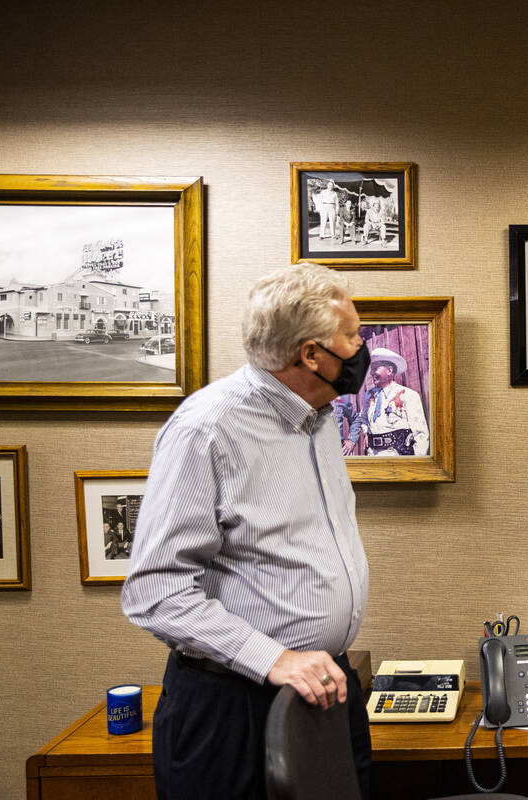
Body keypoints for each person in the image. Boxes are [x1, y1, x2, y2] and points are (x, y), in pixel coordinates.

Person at [122, 262, 371, 800]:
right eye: (351, 336)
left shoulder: (319, 419)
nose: (361, 346)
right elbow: (154, 592)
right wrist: (275, 659)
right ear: (310, 355)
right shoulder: (206, 429)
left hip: (321, 693)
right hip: (232, 711)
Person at [361, 347, 429, 455]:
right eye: (371, 369)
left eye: (375, 369)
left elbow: (421, 434)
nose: (371, 373)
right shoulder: (369, 396)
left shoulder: (408, 395)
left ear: (389, 370)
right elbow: (364, 419)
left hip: (396, 455)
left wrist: (416, 462)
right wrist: (366, 432)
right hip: (373, 456)